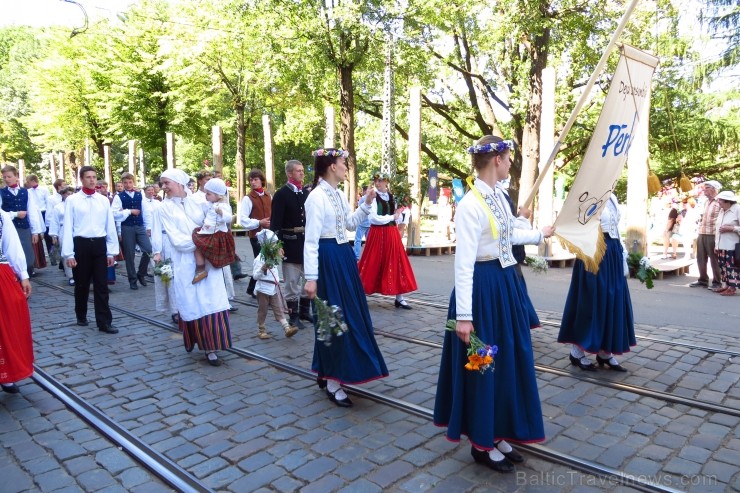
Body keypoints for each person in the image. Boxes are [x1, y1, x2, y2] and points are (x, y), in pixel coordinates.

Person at [434, 135, 555, 473]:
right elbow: (463, 263)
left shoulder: (500, 196)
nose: (511, 163)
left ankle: (499, 431)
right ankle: (480, 443)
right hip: (481, 292)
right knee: (483, 364)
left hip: (504, 287)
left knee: (507, 363)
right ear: (496, 160)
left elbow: (509, 236)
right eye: (508, 158)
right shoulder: (470, 205)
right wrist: (464, 317)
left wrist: (539, 233)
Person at [304, 148, 389, 407]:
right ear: (331, 166)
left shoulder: (338, 194)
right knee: (334, 317)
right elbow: (311, 240)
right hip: (328, 260)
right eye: (342, 162)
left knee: (344, 313)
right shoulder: (316, 198)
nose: (345, 167)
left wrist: (365, 203)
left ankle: (325, 369)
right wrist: (311, 277)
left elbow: (351, 225)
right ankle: (333, 381)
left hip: (343, 258)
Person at [151, 169, 232, 366]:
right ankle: (194, 339)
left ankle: (212, 346)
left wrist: (210, 239)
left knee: (211, 301)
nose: (163, 187)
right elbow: (177, 240)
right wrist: (202, 241)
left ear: (179, 183)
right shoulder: (163, 208)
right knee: (192, 302)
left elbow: (217, 220)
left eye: (166, 183)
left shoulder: (200, 200)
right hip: (185, 261)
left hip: (209, 259)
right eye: (162, 183)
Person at [558, 192, 635, 372]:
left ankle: (604, 351)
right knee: (591, 301)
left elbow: (615, 228)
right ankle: (577, 351)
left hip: (613, 252)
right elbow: (579, 223)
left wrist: (623, 253)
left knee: (612, 302)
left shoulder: (613, 196)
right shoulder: (588, 191)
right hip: (594, 252)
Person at [62, 166, 119, 334]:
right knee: (82, 284)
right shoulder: (72, 200)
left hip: (100, 245)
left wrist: (111, 252)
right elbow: (68, 227)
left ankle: (104, 322)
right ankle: (81, 314)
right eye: (88, 177)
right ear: (81, 179)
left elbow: (110, 226)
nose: (92, 180)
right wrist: (69, 254)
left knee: (101, 285)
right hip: (81, 244)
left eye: (94, 177)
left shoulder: (103, 200)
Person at [358, 172, 418, 309]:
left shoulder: (392, 197)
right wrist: (392, 217)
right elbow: (373, 218)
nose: (377, 183)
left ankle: (400, 297)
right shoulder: (373, 197)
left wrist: (398, 215)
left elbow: (398, 216)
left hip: (391, 233)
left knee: (397, 262)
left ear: (386, 182)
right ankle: (361, 293)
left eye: (380, 181)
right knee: (372, 261)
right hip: (377, 233)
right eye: (376, 181)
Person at [270, 159, 312, 329]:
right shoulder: (281, 194)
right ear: (289, 173)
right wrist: (277, 245)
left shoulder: (306, 194)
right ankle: (293, 316)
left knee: (307, 278)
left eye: (302, 170)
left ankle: (304, 311)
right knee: (292, 281)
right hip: (290, 242)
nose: (302, 173)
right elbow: (275, 223)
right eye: (298, 171)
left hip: (306, 243)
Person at [0, 209, 34, 394]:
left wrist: (23, 275)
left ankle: (5, 373)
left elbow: (11, 244)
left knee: (6, 325)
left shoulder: (1, 215)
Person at [252, 229, 299, 339]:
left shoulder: (273, 257)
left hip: (273, 288)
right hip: (263, 288)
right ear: (266, 246)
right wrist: (263, 268)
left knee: (279, 308)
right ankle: (261, 330)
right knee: (262, 310)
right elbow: (255, 276)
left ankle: (287, 328)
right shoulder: (259, 259)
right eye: (273, 244)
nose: (276, 246)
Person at [1, 165, 44, 277]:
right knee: (11, 255)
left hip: (24, 228)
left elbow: (32, 211)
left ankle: (26, 279)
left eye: (9, 176)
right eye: (4, 177)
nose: (6, 179)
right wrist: (15, 214)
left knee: (28, 258)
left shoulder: (26, 192)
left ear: (16, 176)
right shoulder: (1, 193)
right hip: (9, 228)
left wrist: (35, 231)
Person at [112, 172, 153, 290]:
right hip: (127, 227)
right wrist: (128, 211)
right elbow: (114, 214)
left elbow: (145, 212)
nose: (128, 184)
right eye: (125, 182)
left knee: (149, 250)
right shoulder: (118, 197)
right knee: (129, 255)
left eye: (130, 182)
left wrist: (148, 227)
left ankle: (141, 273)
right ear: (122, 184)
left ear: (133, 182)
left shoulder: (140, 195)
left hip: (139, 226)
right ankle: (132, 279)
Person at [191, 178, 235, 284]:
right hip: (207, 231)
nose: (206, 196)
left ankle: (201, 269)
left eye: (208, 194)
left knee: (198, 245)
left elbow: (229, 218)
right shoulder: (209, 204)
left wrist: (221, 213)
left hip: (215, 233)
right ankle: (202, 268)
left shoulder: (223, 206)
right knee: (197, 246)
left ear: (218, 195)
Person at [239, 169, 272, 298]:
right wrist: (259, 222)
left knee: (267, 261)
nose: (253, 182)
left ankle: (253, 288)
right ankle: (258, 290)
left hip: (269, 236)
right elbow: (243, 220)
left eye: (256, 179)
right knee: (261, 261)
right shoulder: (248, 198)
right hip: (256, 236)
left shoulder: (269, 196)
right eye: (251, 180)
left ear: (261, 180)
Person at [691, 181, 723, 289]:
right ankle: (703, 280)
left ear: (714, 189)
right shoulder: (706, 202)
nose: (704, 190)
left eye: (707, 188)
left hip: (713, 234)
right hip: (702, 232)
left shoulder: (720, 202)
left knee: (714, 259)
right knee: (700, 258)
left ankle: (717, 282)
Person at [48, 186, 76, 286]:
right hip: (63, 230)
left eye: (71, 194)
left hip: (76, 230)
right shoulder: (58, 207)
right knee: (66, 253)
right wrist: (54, 235)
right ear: (63, 195)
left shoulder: (76, 205)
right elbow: (54, 221)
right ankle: (70, 275)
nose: (70, 196)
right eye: (68, 194)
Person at [713, 190, 739, 296]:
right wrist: (716, 245)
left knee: (731, 267)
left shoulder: (737, 209)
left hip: (732, 245)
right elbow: (717, 229)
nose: (718, 202)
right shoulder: (722, 211)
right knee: (723, 266)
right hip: (721, 244)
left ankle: (732, 287)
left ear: (727, 201)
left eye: (720, 200)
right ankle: (726, 285)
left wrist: (732, 228)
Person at [25, 175, 49, 271]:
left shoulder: (44, 189)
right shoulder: (28, 192)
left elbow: (47, 202)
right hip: (32, 213)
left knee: (46, 235)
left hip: (43, 212)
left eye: (28, 181)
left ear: (33, 180)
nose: (27, 183)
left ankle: (50, 255)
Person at [353, 186, 370, 261]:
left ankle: (356, 255)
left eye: (363, 191)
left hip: (362, 223)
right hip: (369, 223)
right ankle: (369, 256)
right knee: (369, 241)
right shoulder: (372, 198)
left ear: (365, 191)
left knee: (358, 239)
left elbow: (360, 209)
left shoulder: (363, 198)